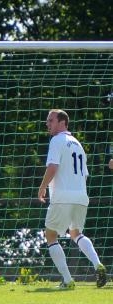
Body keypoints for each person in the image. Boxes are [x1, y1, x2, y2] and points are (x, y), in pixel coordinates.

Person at [38, 109, 107, 289]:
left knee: (51, 235)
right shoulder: (78, 144)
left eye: (51, 120)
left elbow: (53, 166)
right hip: (81, 196)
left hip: (62, 196)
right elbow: (84, 175)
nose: (48, 124)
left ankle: (68, 280)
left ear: (62, 122)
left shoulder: (57, 140)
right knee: (76, 234)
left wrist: (43, 186)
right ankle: (97, 264)